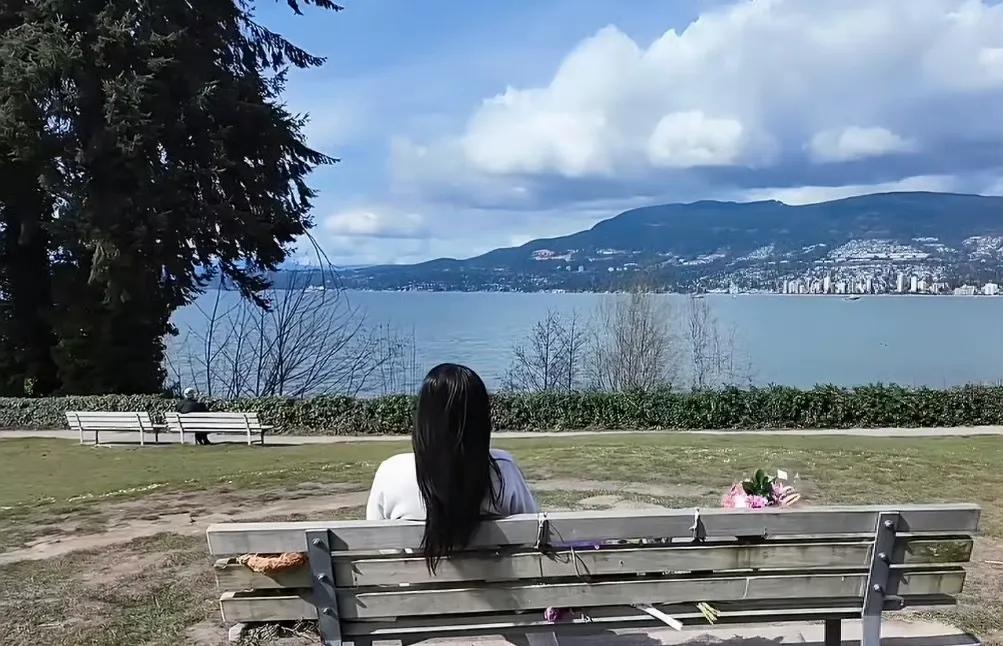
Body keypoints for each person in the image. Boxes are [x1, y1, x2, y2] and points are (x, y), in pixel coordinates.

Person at [366, 363, 538, 572]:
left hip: (416, 592)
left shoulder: (391, 471)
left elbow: (383, 547)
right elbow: (529, 537)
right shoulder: (503, 469)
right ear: (481, 420)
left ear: (424, 418)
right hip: (496, 590)